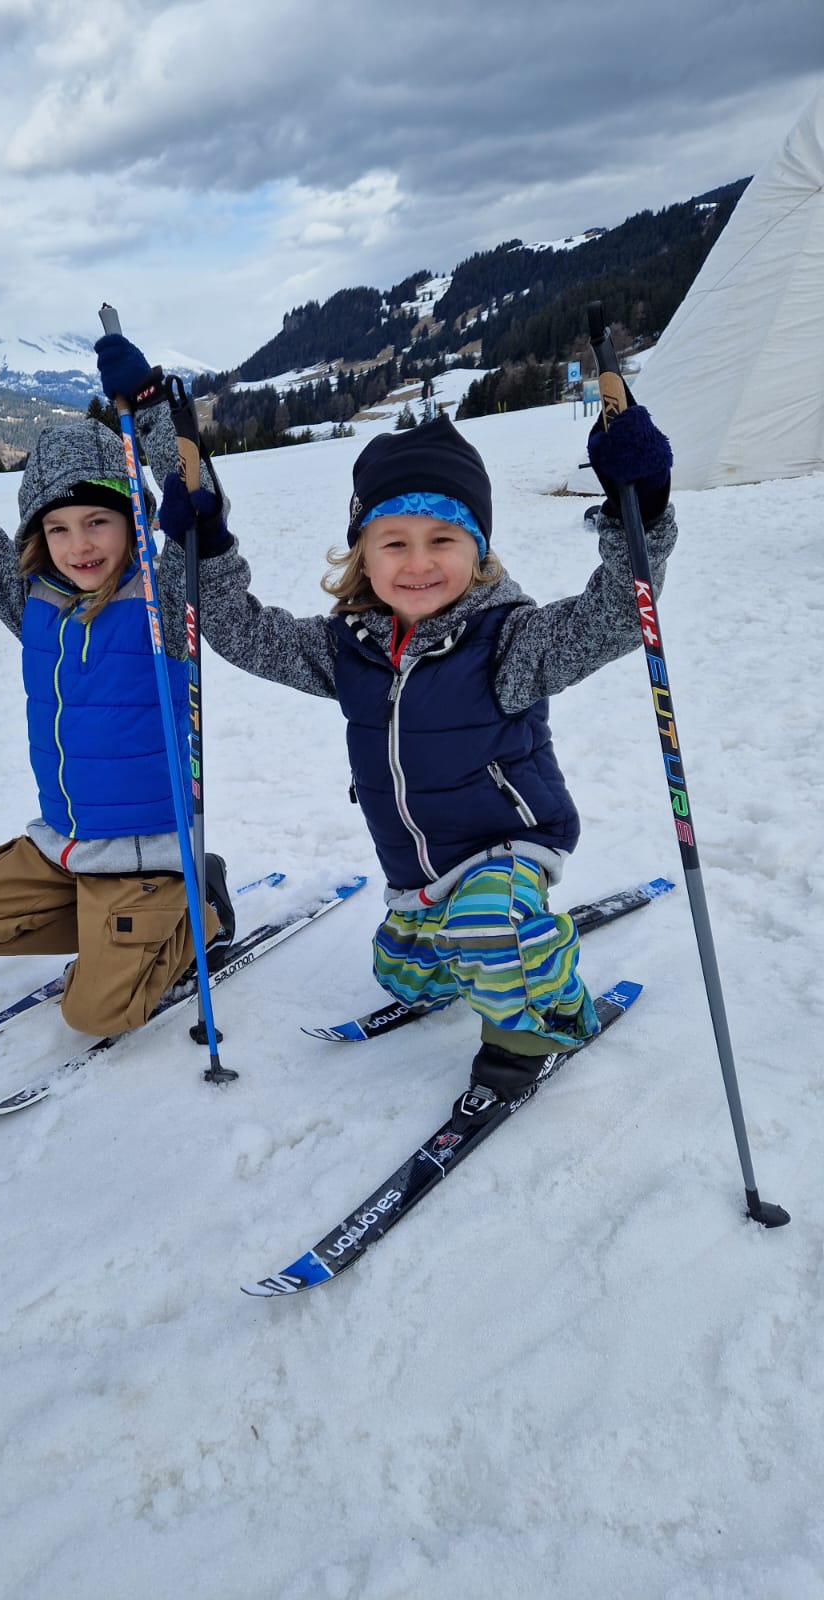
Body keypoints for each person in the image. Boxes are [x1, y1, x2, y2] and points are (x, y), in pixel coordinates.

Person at [96, 335, 676, 1106]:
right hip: (417, 877)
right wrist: (205, 542)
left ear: (479, 551)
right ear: (362, 555)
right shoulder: (351, 652)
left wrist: (645, 510)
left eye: (445, 540)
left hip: (506, 848)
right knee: (400, 968)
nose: (419, 561)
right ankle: (460, 958)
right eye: (393, 542)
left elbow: (613, 617)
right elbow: (235, 629)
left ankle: (540, 1018)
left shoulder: (509, 641)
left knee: (491, 934)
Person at [0, 340, 235, 1039]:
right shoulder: (33, 600)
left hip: (143, 854)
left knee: (93, 1014)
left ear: (132, 520)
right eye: (57, 528)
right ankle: (117, 931)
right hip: (67, 844)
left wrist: (148, 407)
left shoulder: (165, 595)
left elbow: (197, 496)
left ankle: (197, 913)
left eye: (97, 522)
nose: (78, 545)